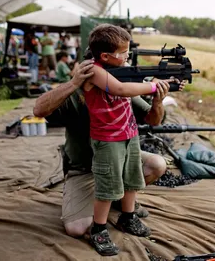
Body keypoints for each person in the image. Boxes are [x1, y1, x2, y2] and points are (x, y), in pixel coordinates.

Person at [33, 60, 184, 253]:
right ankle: (101, 201)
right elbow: (38, 109)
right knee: (77, 228)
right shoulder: (76, 94)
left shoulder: (121, 91)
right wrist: (73, 83)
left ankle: (120, 203)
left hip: (120, 158)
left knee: (156, 164)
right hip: (84, 169)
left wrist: (157, 100)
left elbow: (153, 119)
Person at [81, 23, 181, 256]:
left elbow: (133, 83)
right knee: (108, 187)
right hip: (107, 140)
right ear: (105, 56)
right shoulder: (93, 70)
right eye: (123, 53)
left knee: (131, 179)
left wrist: (168, 85)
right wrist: (152, 85)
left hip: (129, 135)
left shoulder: (118, 67)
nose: (127, 57)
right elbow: (120, 89)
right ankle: (98, 229)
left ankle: (128, 216)